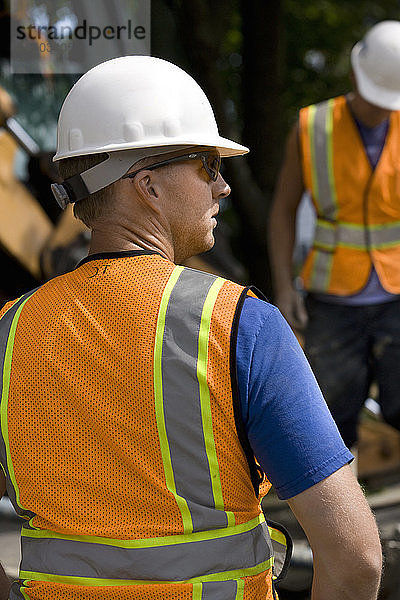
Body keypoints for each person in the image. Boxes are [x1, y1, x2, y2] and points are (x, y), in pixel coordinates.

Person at [0, 55, 381, 600]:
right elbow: (356, 559)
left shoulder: (10, 334)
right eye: (206, 164)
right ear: (147, 185)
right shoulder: (237, 326)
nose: (223, 186)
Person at [269, 20, 400, 450]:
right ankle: (350, 517)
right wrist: (284, 287)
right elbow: (284, 209)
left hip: (397, 296)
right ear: (353, 76)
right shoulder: (313, 126)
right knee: (330, 427)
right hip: (333, 303)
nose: (381, 109)